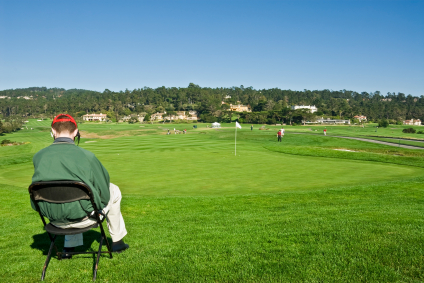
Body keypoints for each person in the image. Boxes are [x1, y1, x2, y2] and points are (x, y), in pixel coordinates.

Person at [31, 114, 129, 259]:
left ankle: (69, 248)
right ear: (76, 132)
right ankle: (117, 241)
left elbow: (35, 204)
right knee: (113, 189)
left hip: (53, 221)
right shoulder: (87, 156)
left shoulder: (38, 156)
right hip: (84, 218)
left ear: (53, 131)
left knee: (70, 198)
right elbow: (104, 194)